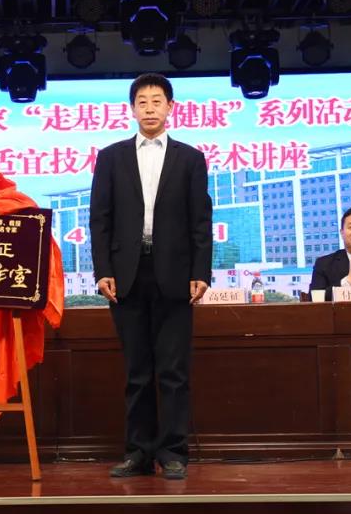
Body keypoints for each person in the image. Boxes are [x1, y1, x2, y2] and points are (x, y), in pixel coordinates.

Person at [89, 73, 212, 481]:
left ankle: (173, 452)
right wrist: (103, 270)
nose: (149, 108)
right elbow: (100, 219)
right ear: (132, 109)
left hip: (175, 274)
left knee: (174, 372)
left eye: (157, 101)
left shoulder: (190, 158)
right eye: (142, 101)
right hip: (126, 274)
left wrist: (200, 271)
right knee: (137, 372)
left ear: (170, 107)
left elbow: (200, 221)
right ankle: (138, 452)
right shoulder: (111, 157)